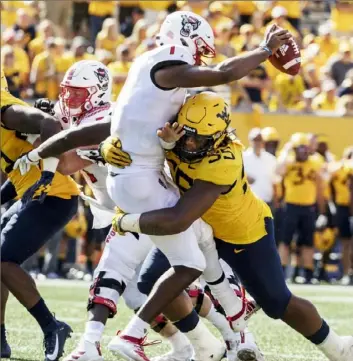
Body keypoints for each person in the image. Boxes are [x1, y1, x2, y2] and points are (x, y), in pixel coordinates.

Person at [15, 10, 291, 361]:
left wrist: (42, 150)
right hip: (143, 184)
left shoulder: (146, 68)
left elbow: (102, 130)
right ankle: (233, 329)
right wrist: (265, 50)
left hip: (127, 188)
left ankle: (93, 346)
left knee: (123, 275)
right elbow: (225, 72)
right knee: (197, 253)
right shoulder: (167, 65)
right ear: (187, 39)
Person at [106, 91, 353, 361]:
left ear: (219, 137)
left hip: (240, 232)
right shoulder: (177, 126)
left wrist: (124, 221)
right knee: (153, 279)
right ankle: (206, 346)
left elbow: (179, 218)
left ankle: (337, 348)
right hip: (199, 226)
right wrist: (108, 145)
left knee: (277, 302)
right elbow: (125, 120)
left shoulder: (225, 158)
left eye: (197, 138)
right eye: (186, 133)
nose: (188, 142)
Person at [0, 69, 79, 360]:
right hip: (33, 196)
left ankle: (52, 326)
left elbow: (50, 123)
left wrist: (46, 175)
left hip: (54, 195)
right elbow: (18, 173)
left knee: (5, 261)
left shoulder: (6, 111)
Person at [243, 128, 277, 207]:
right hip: (248, 203)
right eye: (255, 139)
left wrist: (276, 200)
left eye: (260, 139)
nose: (257, 142)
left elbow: (274, 182)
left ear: (263, 142)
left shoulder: (271, 159)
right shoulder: (242, 157)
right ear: (250, 141)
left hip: (267, 203)